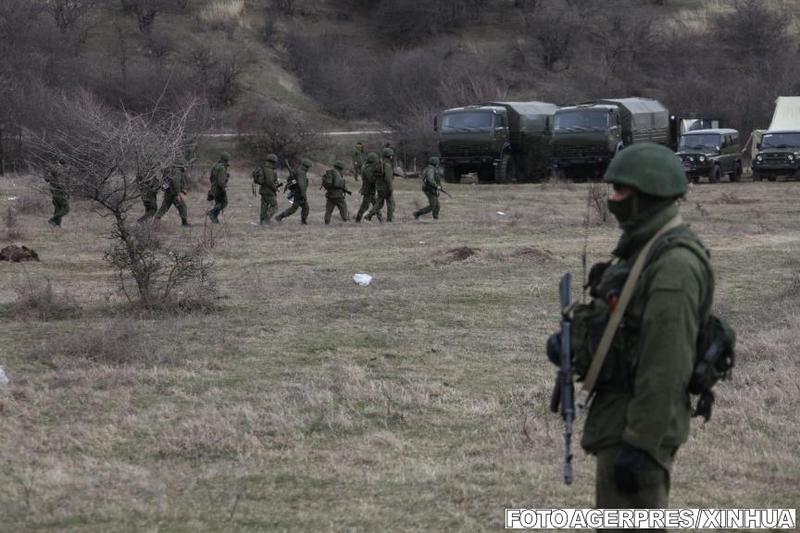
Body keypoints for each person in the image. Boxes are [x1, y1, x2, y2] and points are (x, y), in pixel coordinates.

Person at [556, 143, 715, 513]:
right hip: (621, 416)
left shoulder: (673, 265)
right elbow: (626, 330)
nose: (612, 199)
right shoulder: (644, 249)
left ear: (648, 195)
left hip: (638, 425)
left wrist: (640, 444)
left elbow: (667, 363)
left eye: (620, 191)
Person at [276, 158, 312, 224]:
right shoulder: (301, 173)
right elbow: (301, 185)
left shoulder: (299, 170)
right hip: (298, 193)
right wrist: (304, 195)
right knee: (294, 208)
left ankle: (303, 221)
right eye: (309, 167)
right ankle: (279, 217)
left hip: (297, 192)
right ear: (306, 166)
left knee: (305, 207)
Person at [155, 159, 189, 226]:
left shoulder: (170, 170)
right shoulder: (177, 171)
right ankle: (184, 223)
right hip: (173, 193)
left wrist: (182, 190)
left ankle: (156, 221)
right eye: (185, 166)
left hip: (168, 191)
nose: (186, 168)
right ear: (181, 165)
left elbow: (169, 182)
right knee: (183, 207)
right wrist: (177, 194)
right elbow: (175, 182)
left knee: (164, 207)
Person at [366, 147, 395, 222]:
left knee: (379, 203)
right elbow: (388, 178)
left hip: (379, 186)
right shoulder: (387, 165)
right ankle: (389, 219)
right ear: (390, 156)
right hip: (386, 187)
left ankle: (369, 215)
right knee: (390, 203)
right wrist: (390, 188)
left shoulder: (380, 163)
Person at [254, 153, 281, 224]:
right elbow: (269, 182)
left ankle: (262, 221)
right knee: (274, 206)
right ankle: (266, 219)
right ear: (273, 161)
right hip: (268, 191)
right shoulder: (269, 170)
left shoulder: (264, 167)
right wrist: (275, 188)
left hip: (263, 191)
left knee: (264, 206)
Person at [414, 156, 442, 220]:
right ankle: (417, 213)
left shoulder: (430, 168)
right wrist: (436, 186)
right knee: (433, 206)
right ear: (435, 163)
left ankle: (436, 218)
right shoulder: (431, 170)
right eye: (437, 163)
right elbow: (430, 179)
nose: (438, 164)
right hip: (430, 189)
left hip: (431, 188)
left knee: (437, 206)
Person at [355, 152, 380, 223]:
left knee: (376, 205)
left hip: (370, 190)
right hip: (368, 191)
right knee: (365, 206)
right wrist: (378, 177)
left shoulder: (368, 167)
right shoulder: (368, 168)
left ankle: (381, 220)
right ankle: (357, 220)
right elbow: (371, 179)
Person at [207, 152, 231, 224]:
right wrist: (223, 187)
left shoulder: (215, 165)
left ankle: (214, 219)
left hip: (213, 187)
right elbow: (221, 181)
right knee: (224, 203)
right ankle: (212, 213)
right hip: (219, 188)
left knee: (218, 203)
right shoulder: (222, 167)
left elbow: (211, 178)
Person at [45, 158, 69, 227]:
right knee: (66, 208)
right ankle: (52, 220)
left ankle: (57, 224)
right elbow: (61, 182)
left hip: (53, 190)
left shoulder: (52, 167)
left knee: (58, 207)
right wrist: (65, 191)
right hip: (59, 190)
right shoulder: (59, 169)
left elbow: (46, 179)